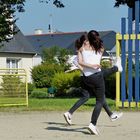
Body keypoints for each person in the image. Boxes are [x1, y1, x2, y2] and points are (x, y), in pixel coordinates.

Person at [63, 33, 123, 130]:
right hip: (91, 76)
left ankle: (111, 115)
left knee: (97, 96)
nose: (87, 42)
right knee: (97, 99)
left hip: (87, 78)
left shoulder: (82, 50)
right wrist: (88, 67)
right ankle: (93, 123)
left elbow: (80, 62)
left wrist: (84, 67)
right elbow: (81, 62)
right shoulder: (93, 49)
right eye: (86, 41)